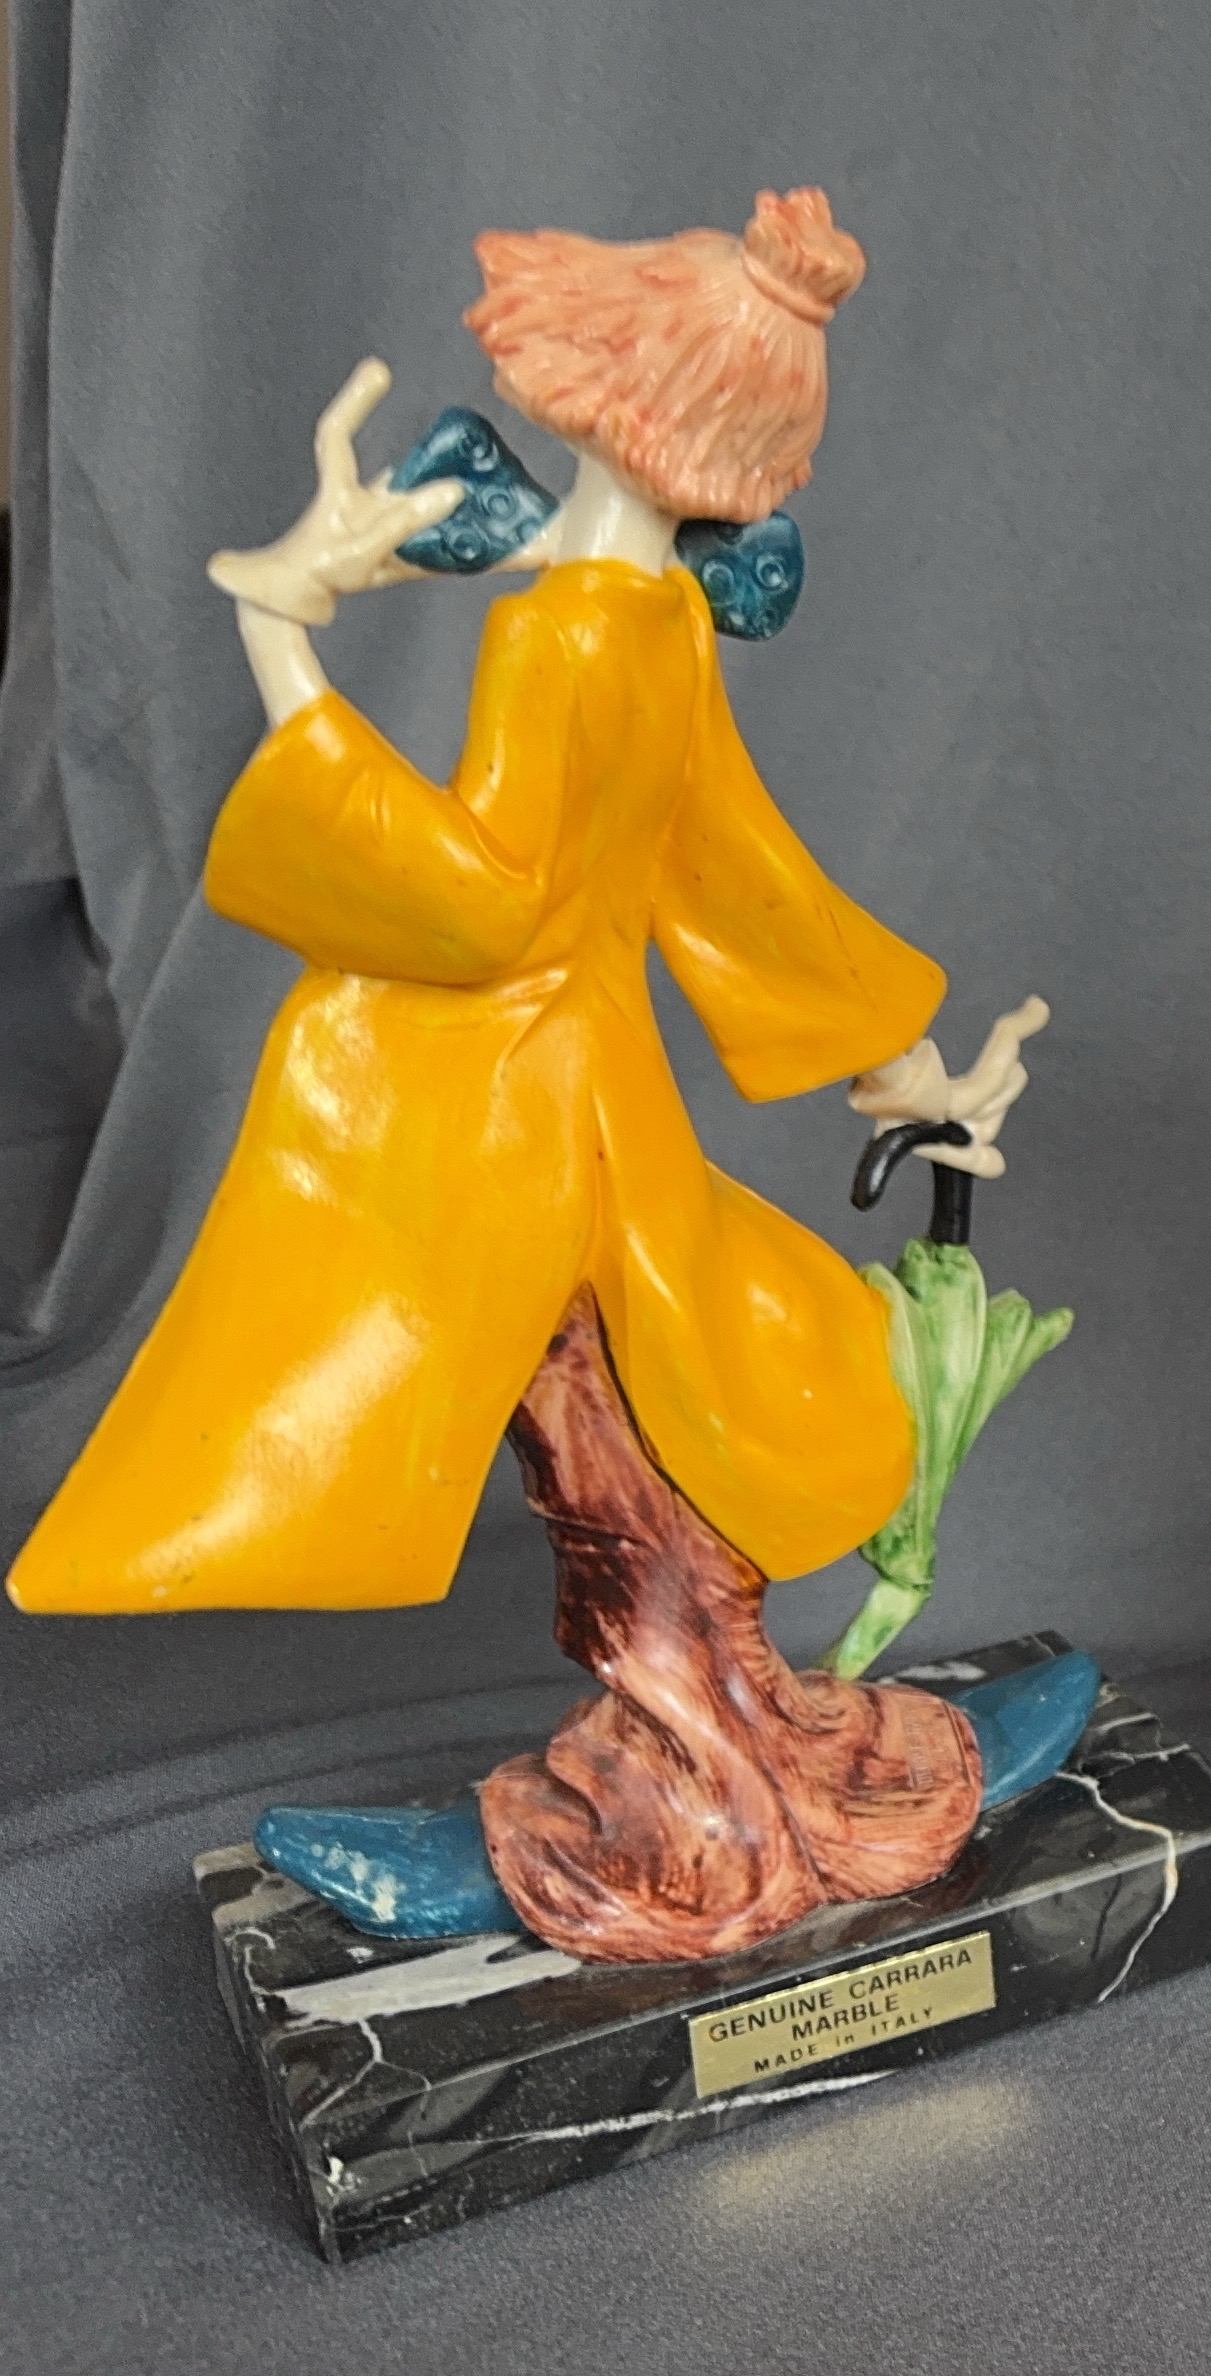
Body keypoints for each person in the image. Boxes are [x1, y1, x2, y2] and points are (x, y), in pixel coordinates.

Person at [8, 191, 1081, 1960]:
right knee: (654, 1432)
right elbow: (741, 875)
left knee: (618, 1462)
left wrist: (284, 644)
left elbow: (485, 897)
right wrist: (903, 1066)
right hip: (600, 1111)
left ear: (609, 396)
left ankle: (699, 1803)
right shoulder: (653, 620)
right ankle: (746, 1753)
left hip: (509, 1120)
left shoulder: (570, 629)